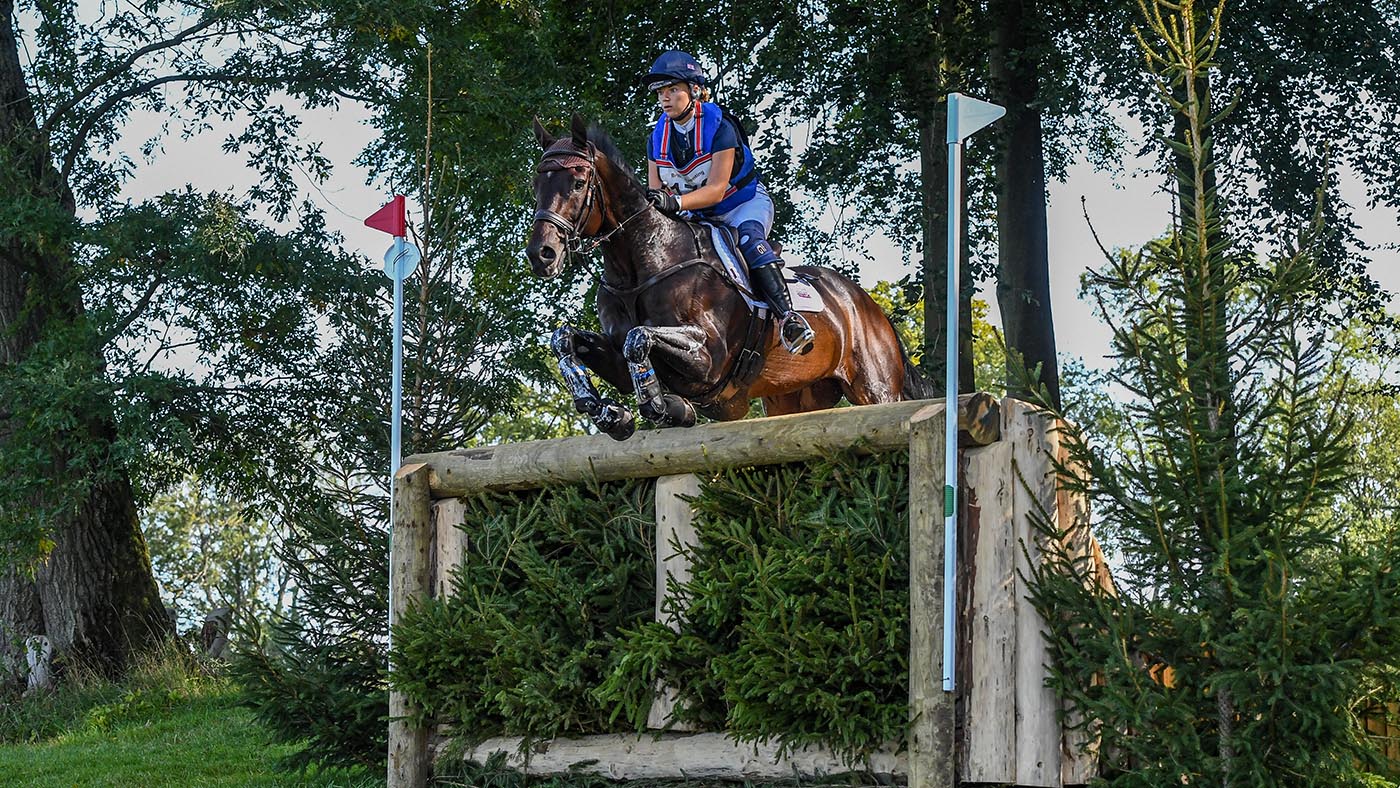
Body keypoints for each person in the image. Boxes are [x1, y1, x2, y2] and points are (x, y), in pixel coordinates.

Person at [641, 50, 815, 355]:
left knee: (748, 240)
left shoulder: (720, 127)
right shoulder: (657, 137)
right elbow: (658, 196)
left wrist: (675, 202)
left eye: (672, 90)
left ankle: (789, 318)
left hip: (741, 205)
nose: (665, 98)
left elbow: (717, 190)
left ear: (694, 90)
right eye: (660, 92)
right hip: (697, 217)